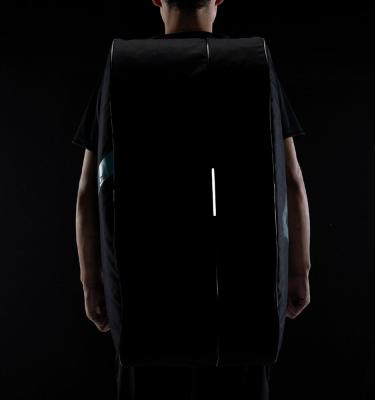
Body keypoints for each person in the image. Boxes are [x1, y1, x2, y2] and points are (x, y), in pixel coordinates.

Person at [72, 1, 311, 398]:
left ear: (156, 0)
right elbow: (291, 180)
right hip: (241, 305)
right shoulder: (253, 63)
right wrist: (299, 271)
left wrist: (92, 282)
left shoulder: (124, 65)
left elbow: (88, 190)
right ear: (218, 0)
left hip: (146, 303)